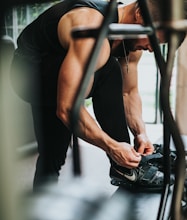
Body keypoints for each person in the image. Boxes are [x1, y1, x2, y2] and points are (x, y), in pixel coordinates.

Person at [10, 0, 168, 191]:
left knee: (52, 156)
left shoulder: (132, 41)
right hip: (27, 72)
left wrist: (140, 133)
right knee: (109, 68)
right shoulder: (90, 26)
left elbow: (128, 92)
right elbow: (68, 108)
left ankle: (125, 166)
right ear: (140, 15)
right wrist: (113, 147)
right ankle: (124, 168)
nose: (151, 49)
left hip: (58, 69)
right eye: (153, 42)